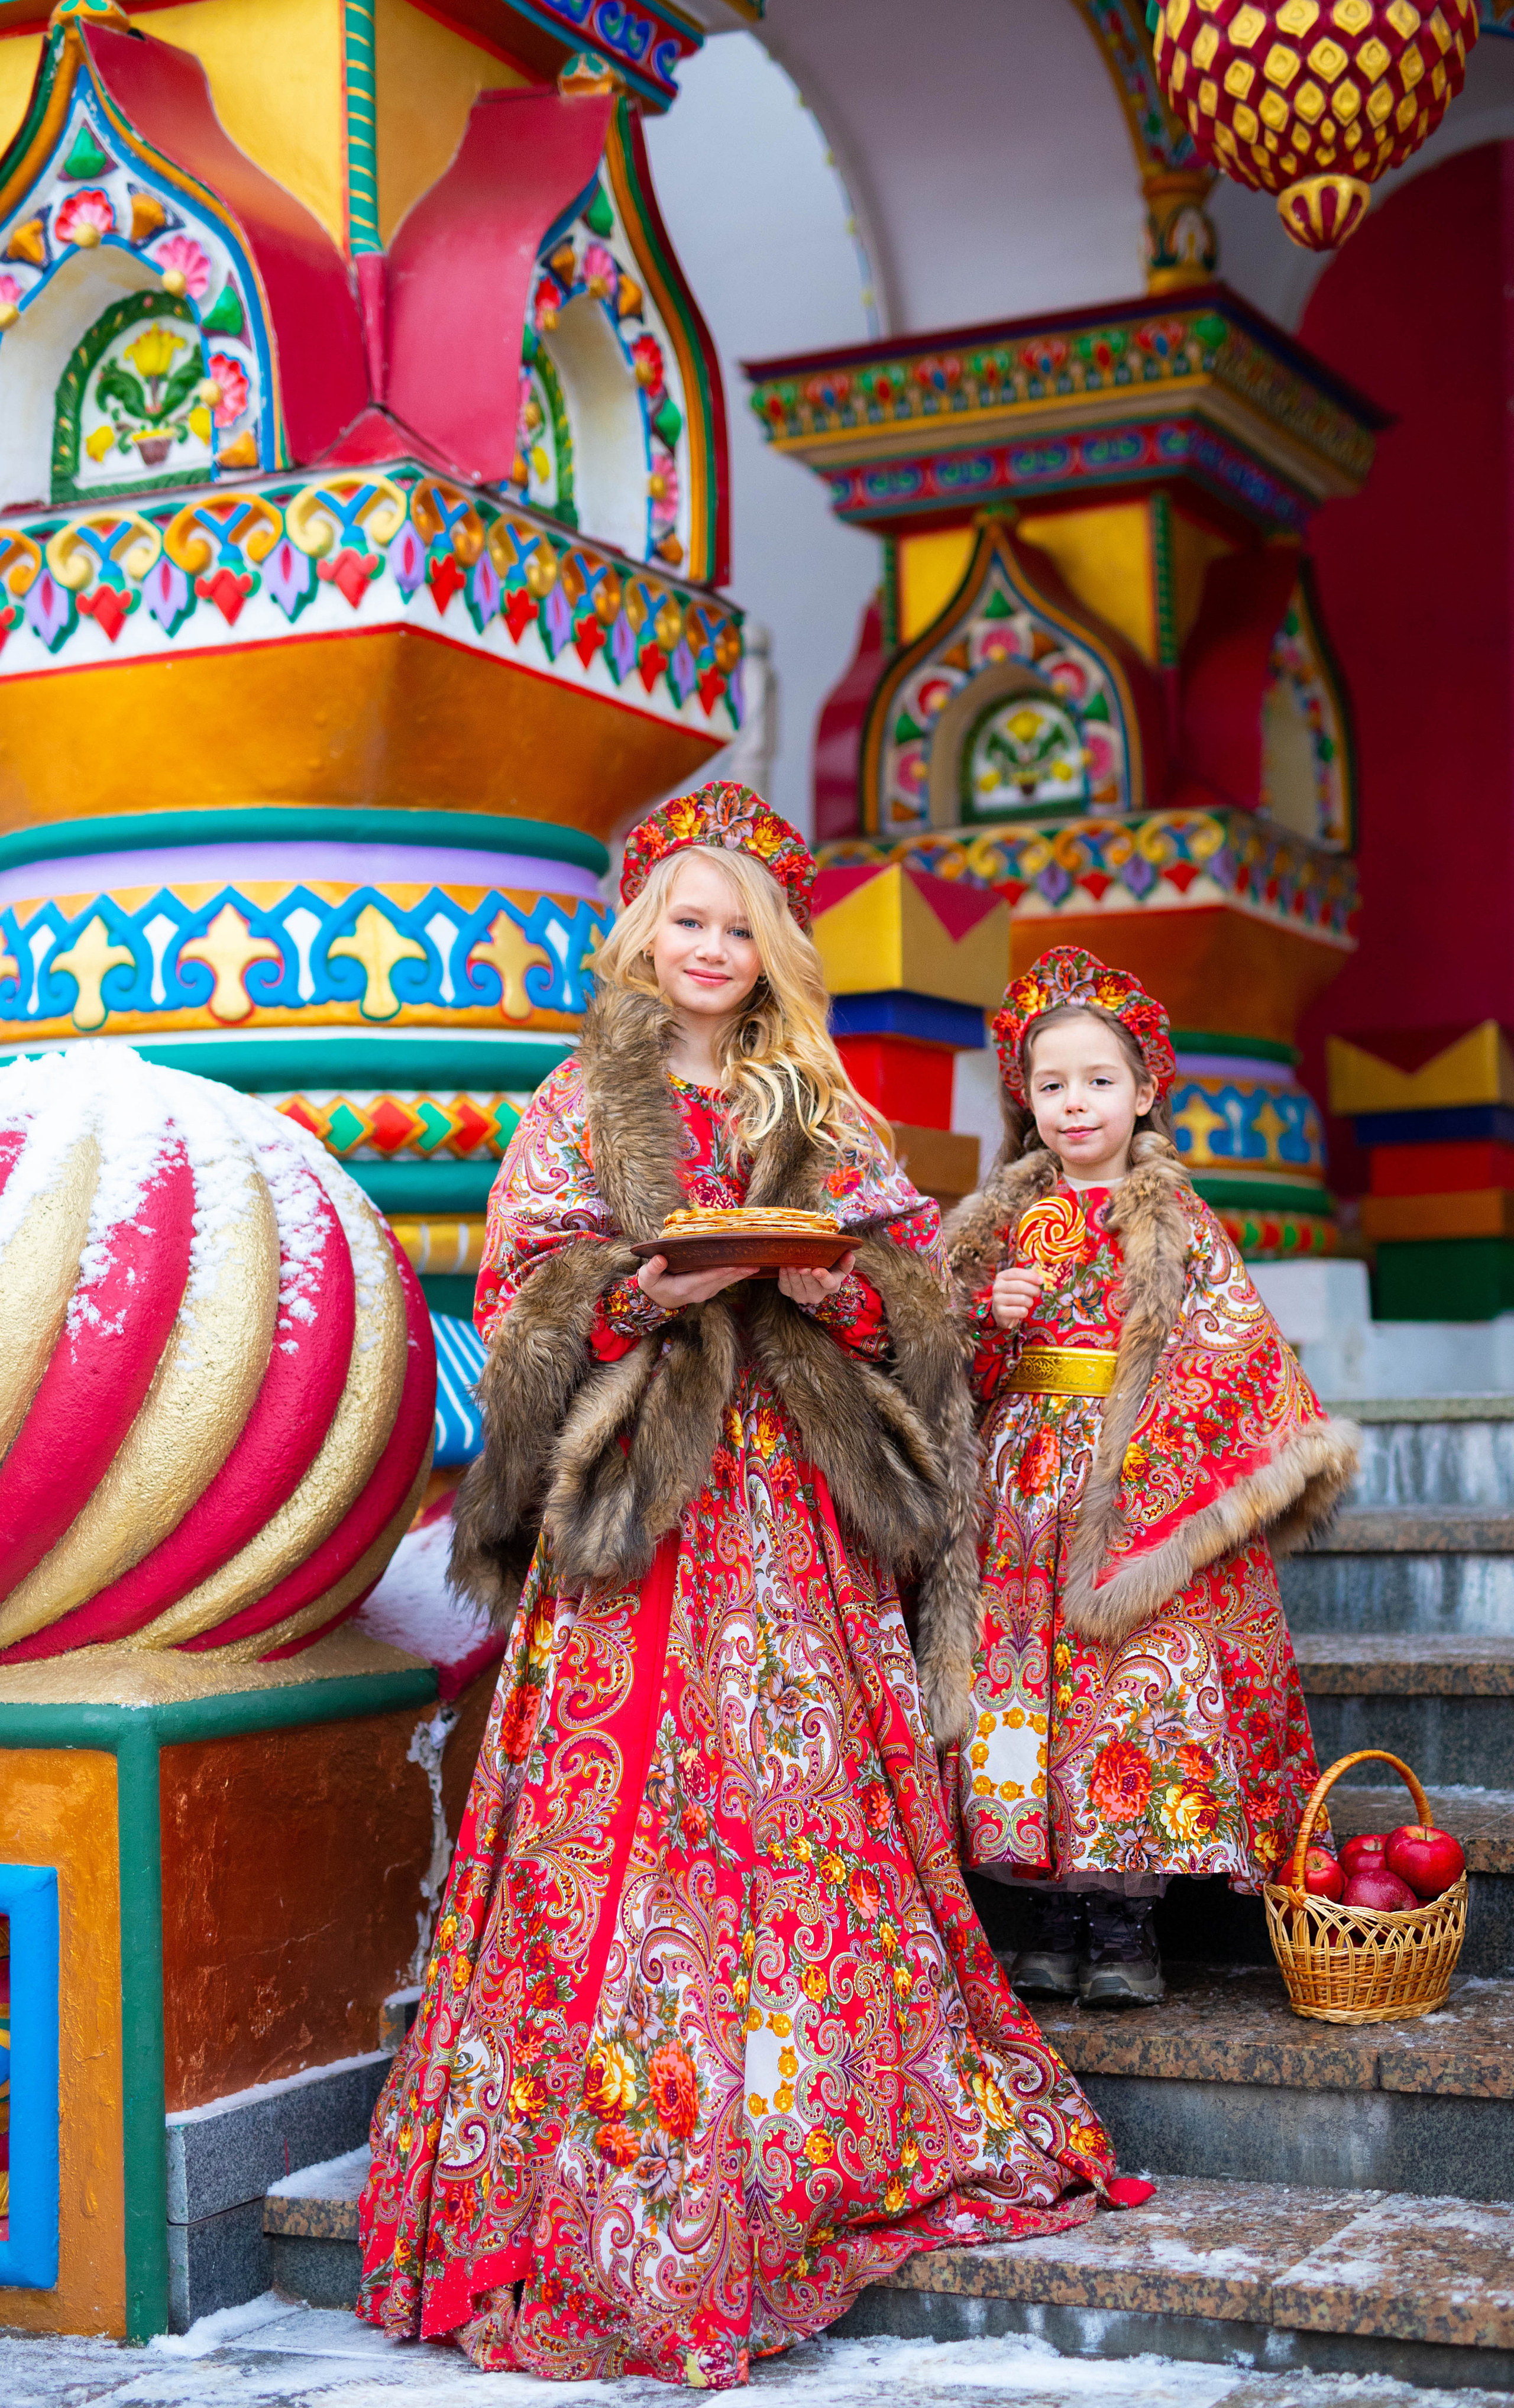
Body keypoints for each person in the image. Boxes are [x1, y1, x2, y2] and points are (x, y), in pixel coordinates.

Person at [355, 788, 1114, 2388]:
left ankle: (806, 2122)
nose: (710, 950)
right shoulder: (581, 1099)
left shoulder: (821, 1106)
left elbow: (919, 1282)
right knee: (624, 1811)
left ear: (776, 952)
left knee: (802, 1792)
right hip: (642, 1503)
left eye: (739, 927)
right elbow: (517, 1280)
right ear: (643, 934)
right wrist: (647, 1287)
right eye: (685, 922)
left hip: (795, 1511)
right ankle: (618, 2161)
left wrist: (827, 1273)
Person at [945, 947, 1358, 2008]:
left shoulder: (1175, 1222)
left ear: (1143, 1091)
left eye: (1098, 1081)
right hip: (1020, 1488)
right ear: (1024, 1099)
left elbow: (1235, 1352)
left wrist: (1154, 1445)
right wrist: (987, 1323)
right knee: (1019, 1695)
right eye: (1051, 1085)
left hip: (1135, 1486)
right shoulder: (992, 1228)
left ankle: (1123, 1913)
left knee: (1127, 1688)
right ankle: (1045, 1910)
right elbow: (946, 1368)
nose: (1075, 1105)